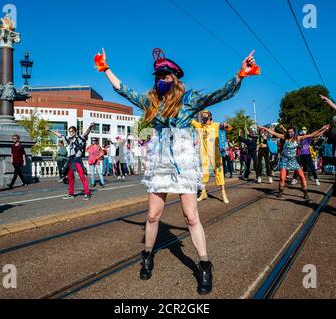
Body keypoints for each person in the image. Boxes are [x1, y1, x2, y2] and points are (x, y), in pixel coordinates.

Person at [95, 47, 259, 294]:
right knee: (152, 216)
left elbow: (219, 94)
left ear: (174, 77)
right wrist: (105, 68)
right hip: (161, 161)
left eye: (164, 76)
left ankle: (204, 265)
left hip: (183, 161)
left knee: (191, 217)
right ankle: (147, 256)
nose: (160, 80)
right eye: (157, 76)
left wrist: (240, 74)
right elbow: (123, 89)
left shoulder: (189, 99)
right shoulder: (151, 101)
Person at [259, 124, 329, 199]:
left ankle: (305, 192)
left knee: (302, 176)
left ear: (294, 132)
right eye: (289, 132)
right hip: (285, 160)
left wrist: (322, 128)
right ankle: (280, 191)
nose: (290, 133)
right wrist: (264, 128)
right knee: (282, 178)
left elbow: (311, 135)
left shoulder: (298, 138)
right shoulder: (284, 137)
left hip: (293, 160)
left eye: (291, 132)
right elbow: (273, 133)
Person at [192, 110, 232, 203]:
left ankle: (223, 193)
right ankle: (203, 193)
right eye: (202, 116)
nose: (203, 117)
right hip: (205, 155)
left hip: (216, 155)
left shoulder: (216, 125)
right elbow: (192, 122)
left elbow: (228, 128)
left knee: (219, 173)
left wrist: (226, 125)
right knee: (204, 174)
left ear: (210, 117)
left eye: (205, 116)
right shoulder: (200, 126)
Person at [49, 124, 94, 200]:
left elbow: (86, 133)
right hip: (71, 159)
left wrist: (90, 127)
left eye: (72, 131)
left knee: (82, 176)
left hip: (77, 159)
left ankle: (87, 193)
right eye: (69, 132)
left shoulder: (80, 138)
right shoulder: (68, 138)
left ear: (75, 132)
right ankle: (71, 194)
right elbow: (60, 135)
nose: (71, 133)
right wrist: (50, 130)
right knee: (70, 177)